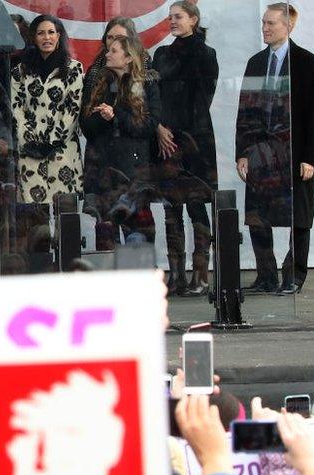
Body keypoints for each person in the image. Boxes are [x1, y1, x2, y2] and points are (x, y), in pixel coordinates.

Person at [236, 3, 314, 294]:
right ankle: (266, 276)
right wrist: (242, 152)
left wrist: (311, 158)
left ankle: (294, 276)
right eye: (263, 23)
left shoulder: (306, 62)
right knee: (257, 217)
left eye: (271, 23)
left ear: (289, 26)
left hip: (295, 154)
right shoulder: (255, 63)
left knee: (298, 218)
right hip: (261, 154)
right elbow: (245, 111)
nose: (265, 28)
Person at [154, 1, 219, 296]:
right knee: (171, 208)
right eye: (170, 17)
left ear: (193, 20)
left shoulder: (206, 55)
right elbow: (153, 94)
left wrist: (178, 133)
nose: (172, 21)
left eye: (178, 17)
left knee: (196, 206)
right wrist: (159, 127)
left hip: (194, 141)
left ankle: (201, 275)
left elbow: (202, 100)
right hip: (165, 139)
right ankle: (177, 275)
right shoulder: (162, 54)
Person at [81, 36, 162, 250]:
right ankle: (111, 282)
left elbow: (148, 126)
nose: (107, 54)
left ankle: (138, 280)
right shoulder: (101, 83)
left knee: (137, 239)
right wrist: (103, 117)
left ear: (127, 58)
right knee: (108, 242)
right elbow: (87, 126)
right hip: (105, 174)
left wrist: (116, 114)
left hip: (133, 176)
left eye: (113, 51)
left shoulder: (145, 85)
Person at [11, 15, 84, 204]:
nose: (46, 38)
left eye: (51, 32)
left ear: (59, 36)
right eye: (41, 33)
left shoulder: (73, 69)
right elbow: (17, 108)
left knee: (66, 216)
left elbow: (73, 108)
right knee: (35, 218)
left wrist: (52, 142)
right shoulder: (20, 72)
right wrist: (30, 141)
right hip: (30, 152)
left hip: (62, 150)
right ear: (33, 38)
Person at [83, 17, 141, 100]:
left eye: (120, 37)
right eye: (110, 37)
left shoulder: (145, 71)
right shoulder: (94, 71)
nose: (114, 42)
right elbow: (86, 106)